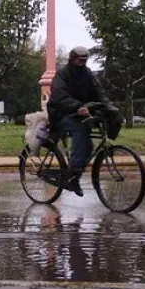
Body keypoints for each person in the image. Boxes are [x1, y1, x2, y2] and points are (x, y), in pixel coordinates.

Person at [46, 46, 115, 196]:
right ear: (71, 59)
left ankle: (74, 177)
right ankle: (73, 172)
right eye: (79, 60)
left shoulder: (88, 73)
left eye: (85, 60)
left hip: (80, 113)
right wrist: (77, 106)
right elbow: (59, 96)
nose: (82, 63)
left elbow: (99, 91)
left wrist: (108, 106)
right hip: (61, 114)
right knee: (80, 130)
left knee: (88, 146)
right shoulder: (62, 74)